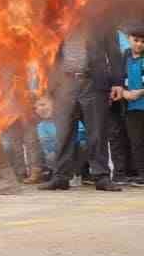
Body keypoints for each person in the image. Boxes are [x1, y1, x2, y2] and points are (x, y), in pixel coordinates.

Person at [41, 20, 126, 191]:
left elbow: (114, 52)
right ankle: (61, 176)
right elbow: (50, 55)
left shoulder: (103, 20)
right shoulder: (61, 19)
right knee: (63, 133)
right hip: (65, 83)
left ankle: (101, 177)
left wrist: (117, 82)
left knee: (97, 132)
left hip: (93, 82)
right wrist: (48, 89)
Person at [115, 27, 144, 186]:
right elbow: (118, 78)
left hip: (141, 101)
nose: (139, 44)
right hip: (131, 107)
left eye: (143, 42)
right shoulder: (124, 57)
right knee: (135, 141)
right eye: (136, 40)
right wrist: (126, 94)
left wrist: (140, 92)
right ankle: (139, 173)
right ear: (129, 39)